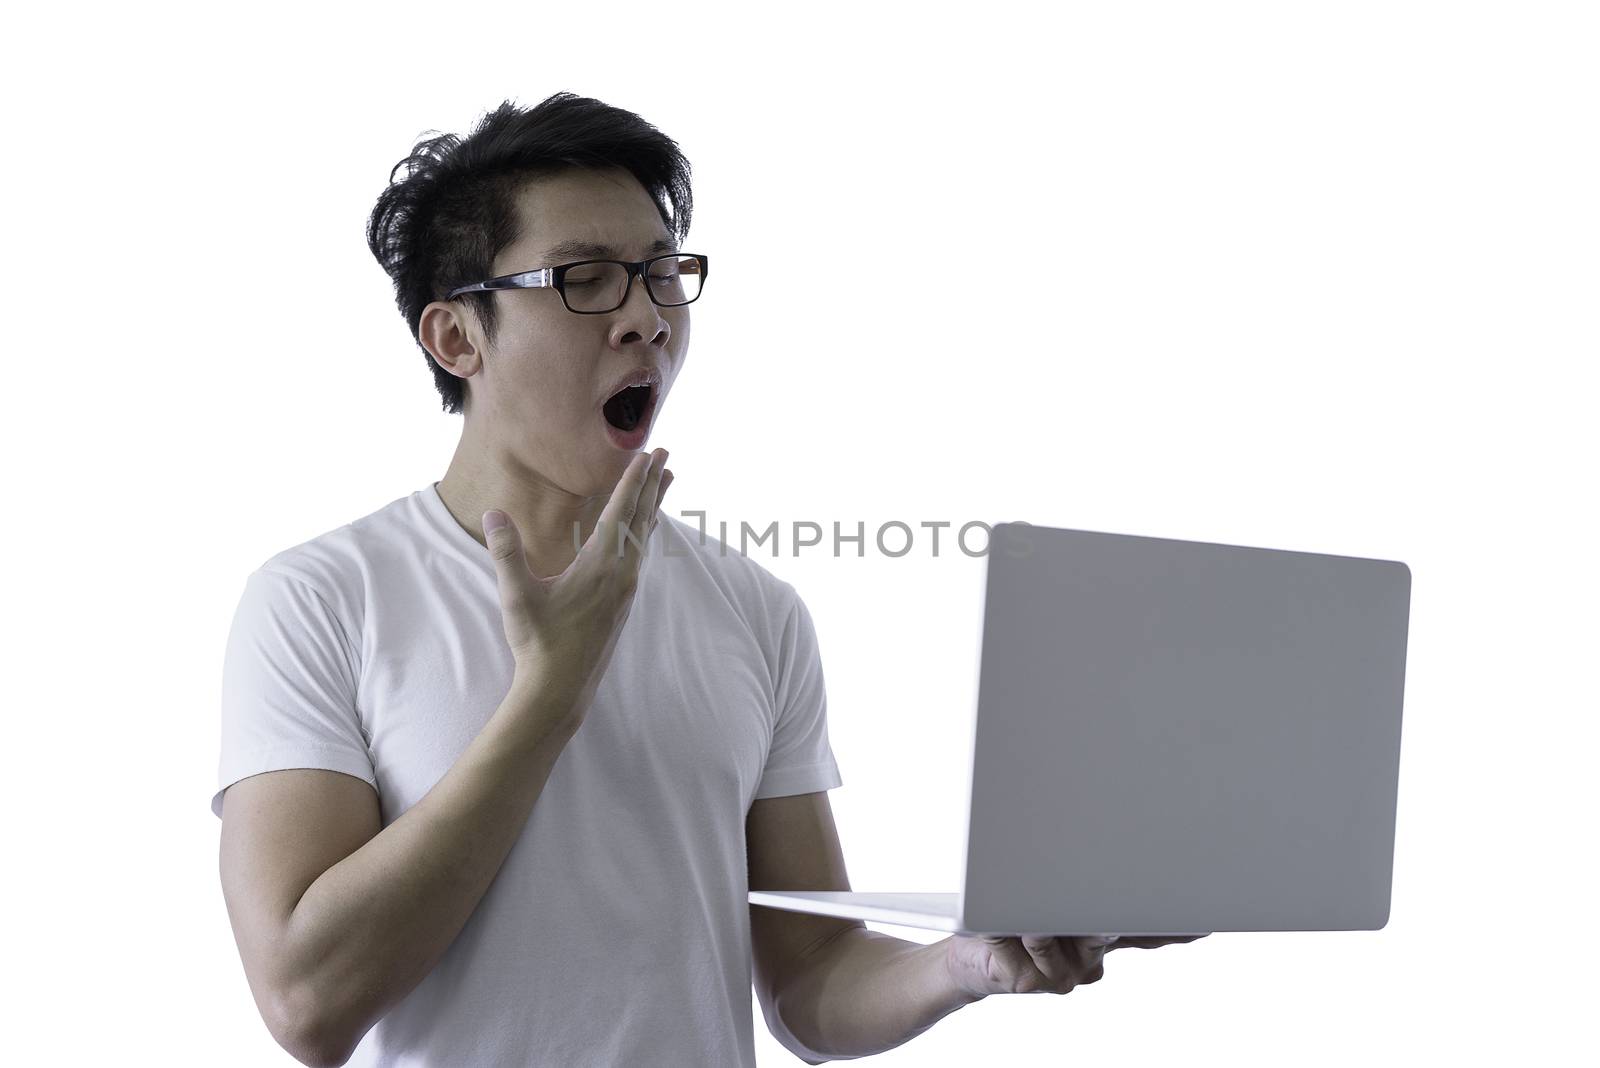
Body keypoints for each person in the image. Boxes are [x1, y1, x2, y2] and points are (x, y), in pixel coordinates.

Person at [213, 92, 1198, 1068]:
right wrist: (548, 698)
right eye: (585, 280)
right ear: (457, 339)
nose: (644, 318)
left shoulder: (754, 610)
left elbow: (810, 982)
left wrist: (968, 963)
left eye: (657, 274)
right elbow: (309, 1004)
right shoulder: (321, 600)